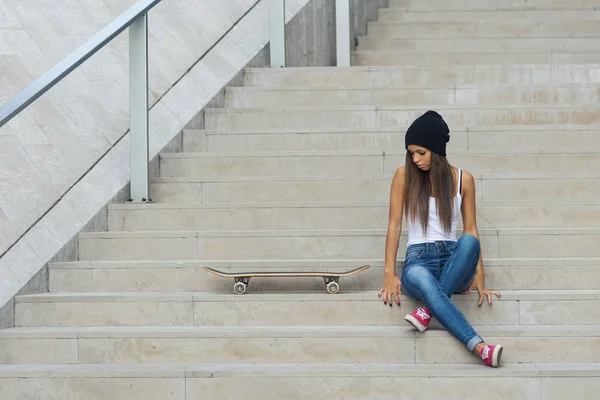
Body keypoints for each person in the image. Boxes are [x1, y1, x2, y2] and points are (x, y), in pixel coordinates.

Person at [377, 110, 504, 368]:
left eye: (421, 153)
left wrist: (480, 276)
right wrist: (389, 273)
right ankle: (479, 347)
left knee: (469, 242)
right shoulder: (403, 176)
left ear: (437, 150)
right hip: (418, 262)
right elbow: (394, 223)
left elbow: (472, 229)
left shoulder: (463, 180)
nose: (415, 159)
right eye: (411, 153)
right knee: (422, 278)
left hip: (452, 261)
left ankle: (427, 311)